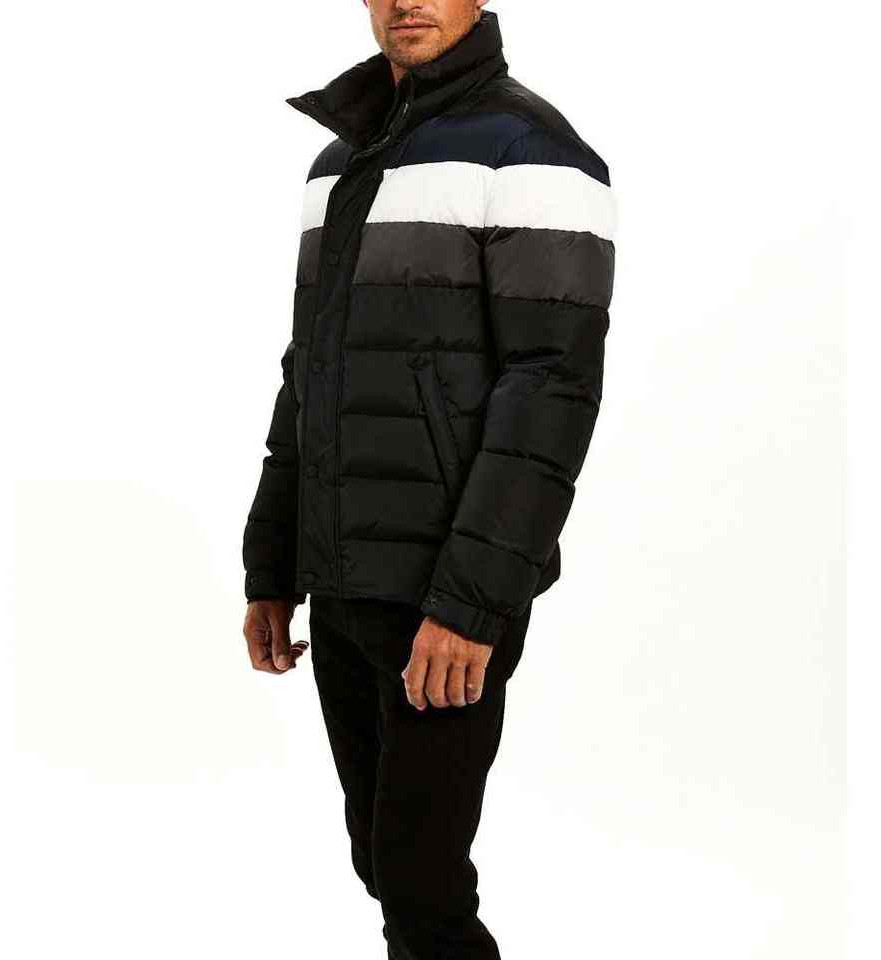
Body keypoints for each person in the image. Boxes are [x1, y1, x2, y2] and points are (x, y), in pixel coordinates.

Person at [241, 2, 615, 957]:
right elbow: (308, 374)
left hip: (446, 590)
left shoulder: (534, 154)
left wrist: (469, 607)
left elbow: (551, 392)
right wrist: (272, 565)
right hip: (342, 579)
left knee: (421, 879)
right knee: (382, 864)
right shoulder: (337, 165)